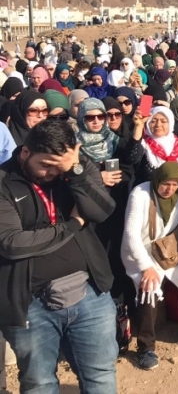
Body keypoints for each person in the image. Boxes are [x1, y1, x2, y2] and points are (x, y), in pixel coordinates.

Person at [0, 120, 118, 392]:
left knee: (100, 374)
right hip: (30, 303)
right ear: (26, 152)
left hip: (89, 294)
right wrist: (72, 226)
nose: (52, 173)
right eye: (46, 165)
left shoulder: (74, 166)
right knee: (39, 383)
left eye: (59, 166)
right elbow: (11, 242)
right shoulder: (4, 182)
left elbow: (101, 211)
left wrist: (74, 172)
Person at [122, 163, 178, 370]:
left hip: (167, 252)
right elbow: (131, 235)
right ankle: (145, 347)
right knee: (149, 288)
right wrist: (146, 266)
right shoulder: (140, 193)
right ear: (157, 180)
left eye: (174, 184)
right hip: (140, 253)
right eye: (165, 183)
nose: (169, 189)